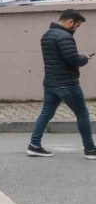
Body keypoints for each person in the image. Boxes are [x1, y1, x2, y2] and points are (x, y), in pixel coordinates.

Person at [27, 9, 96, 160]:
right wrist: (84, 58)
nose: (76, 29)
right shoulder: (65, 37)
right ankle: (90, 149)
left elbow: (59, 58)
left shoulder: (47, 35)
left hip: (51, 83)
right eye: (77, 26)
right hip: (67, 84)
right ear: (70, 22)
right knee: (82, 114)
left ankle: (34, 145)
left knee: (46, 114)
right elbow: (73, 59)